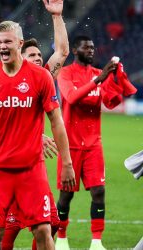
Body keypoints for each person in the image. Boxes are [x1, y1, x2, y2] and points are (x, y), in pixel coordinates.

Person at [0, 20, 76, 250]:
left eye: (7, 41)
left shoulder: (41, 77)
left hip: (31, 169)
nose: (2, 46)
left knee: (43, 229)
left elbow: (57, 121)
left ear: (19, 43)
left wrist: (67, 162)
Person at [55, 35, 137, 250]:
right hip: (70, 144)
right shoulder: (65, 73)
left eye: (93, 47)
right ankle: (61, 238)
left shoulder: (96, 74)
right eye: (86, 47)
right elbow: (71, 98)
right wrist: (100, 78)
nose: (91, 51)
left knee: (99, 192)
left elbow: (111, 103)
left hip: (93, 144)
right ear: (75, 50)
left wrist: (116, 79)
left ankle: (96, 241)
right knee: (66, 194)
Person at [1, 0, 69, 249]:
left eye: (40, 55)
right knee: (7, 231)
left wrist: (57, 16)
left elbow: (62, 52)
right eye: (33, 55)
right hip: (11, 163)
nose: (39, 59)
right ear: (21, 56)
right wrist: (33, 136)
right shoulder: (5, 79)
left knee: (51, 224)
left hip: (33, 167)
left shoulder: (42, 79)